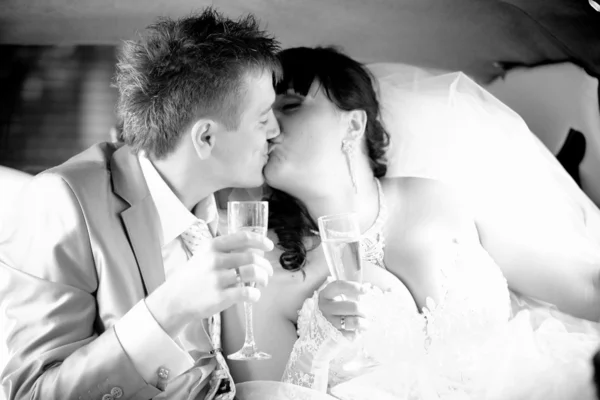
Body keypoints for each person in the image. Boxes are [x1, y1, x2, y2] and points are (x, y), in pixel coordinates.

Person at [222, 46, 600, 399]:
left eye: (289, 105)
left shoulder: (437, 200)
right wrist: (313, 349)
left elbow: (581, 286)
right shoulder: (257, 268)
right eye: (263, 117)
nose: (270, 128)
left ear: (353, 125)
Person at [0, 8, 281, 400]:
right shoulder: (61, 202)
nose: (276, 132)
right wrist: (170, 307)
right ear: (206, 139)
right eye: (263, 118)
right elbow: (32, 394)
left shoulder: (237, 201)